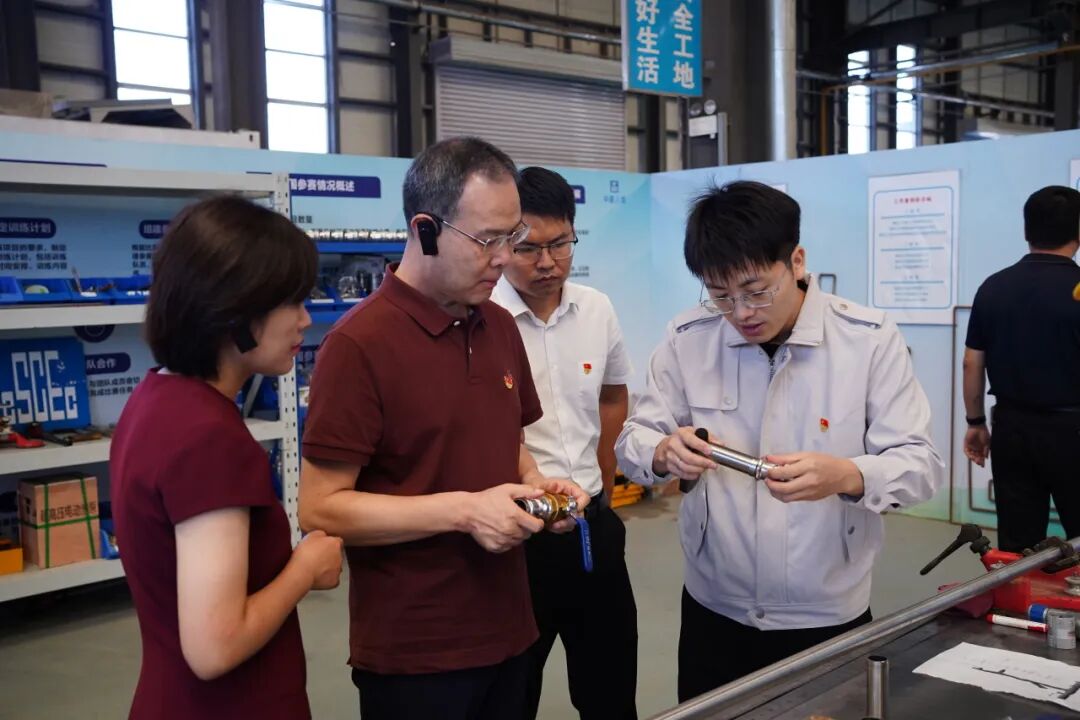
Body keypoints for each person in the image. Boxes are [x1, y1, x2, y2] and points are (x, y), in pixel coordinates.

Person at [615, 181, 944, 701]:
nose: (741, 312)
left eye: (756, 290)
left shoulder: (867, 340)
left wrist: (848, 475)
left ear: (797, 261)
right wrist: (660, 452)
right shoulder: (688, 339)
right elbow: (633, 439)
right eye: (720, 295)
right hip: (714, 607)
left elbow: (921, 465)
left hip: (827, 612)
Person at [298, 137, 589, 720]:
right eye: (487, 240)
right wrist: (465, 511)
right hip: (417, 655)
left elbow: (508, 445)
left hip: (511, 631)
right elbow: (321, 508)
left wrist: (538, 487)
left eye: (512, 237)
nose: (504, 258)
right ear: (425, 230)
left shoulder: (499, 327)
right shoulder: (358, 345)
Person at [110, 196, 344, 720]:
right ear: (236, 313)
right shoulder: (209, 440)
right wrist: (304, 568)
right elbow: (214, 646)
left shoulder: (154, 400)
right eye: (292, 303)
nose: (306, 320)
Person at [491, 167, 638, 720]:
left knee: (610, 693)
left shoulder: (596, 309)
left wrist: (602, 482)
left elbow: (613, 394)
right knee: (512, 695)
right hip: (517, 542)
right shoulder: (484, 319)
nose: (548, 262)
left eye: (561, 244)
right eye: (529, 248)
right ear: (504, 243)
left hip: (593, 528)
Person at [963, 185, 1080, 552]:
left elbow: (971, 362)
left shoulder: (993, 287)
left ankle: (1016, 592)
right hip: (1073, 431)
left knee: (1017, 544)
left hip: (1012, 429)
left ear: (1027, 230)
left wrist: (975, 423)